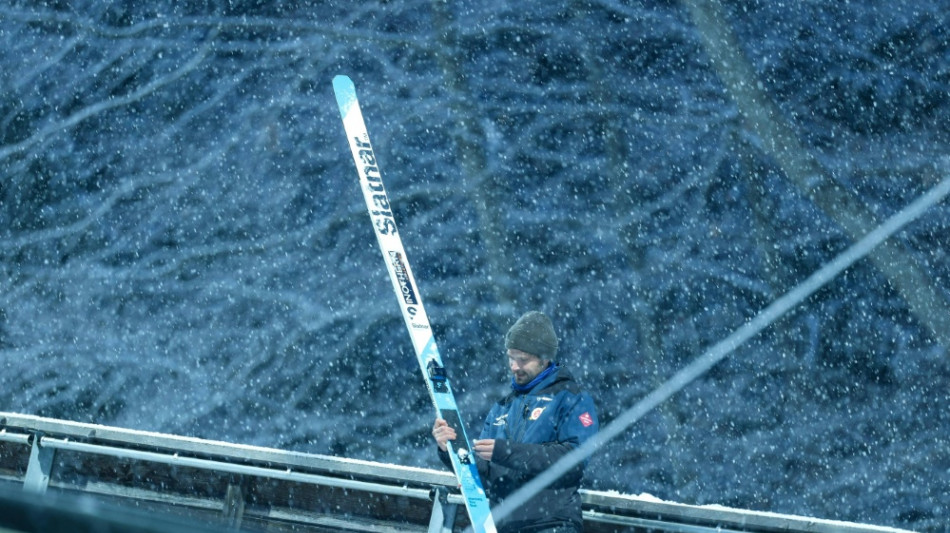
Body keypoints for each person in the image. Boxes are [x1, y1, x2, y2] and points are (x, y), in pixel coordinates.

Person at [432, 311, 599, 533]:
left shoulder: (571, 398)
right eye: (511, 358)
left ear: (544, 358)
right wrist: (450, 450)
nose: (514, 366)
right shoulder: (502, 407)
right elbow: (485, 476)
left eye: (523, 360)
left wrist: (507, 451)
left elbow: (574, 460)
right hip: (502, 526)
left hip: (550, 525)